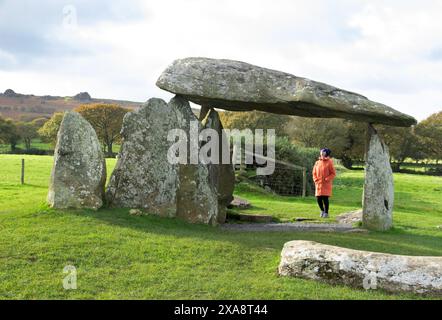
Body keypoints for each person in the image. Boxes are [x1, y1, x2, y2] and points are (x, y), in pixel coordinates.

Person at [312, 148, 336, 218]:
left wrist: (327, 179)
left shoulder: (330, 162)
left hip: (326, 184)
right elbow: (314, 173)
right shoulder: (317, 162)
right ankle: (322, 211)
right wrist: (315, 180)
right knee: (318, 198)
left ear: (326, 153)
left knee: (325, 199)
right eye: (321, 151)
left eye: (323, 152)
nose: (321, 153)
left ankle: (326, 213)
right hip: (318, 183)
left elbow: (333, 173)